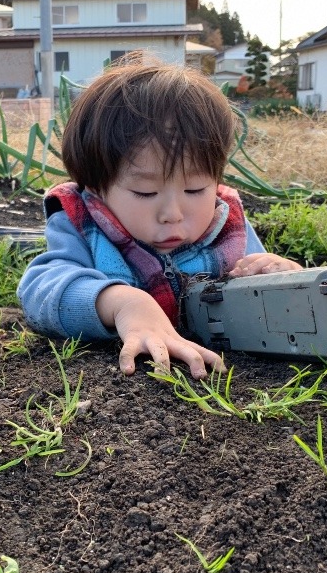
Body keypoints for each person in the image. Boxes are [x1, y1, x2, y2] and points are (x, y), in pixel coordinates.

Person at [17, 60, 301, 379]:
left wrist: (282, 276)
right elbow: (38, 293)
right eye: (145, 192)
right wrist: (124, 304)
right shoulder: (84, 222)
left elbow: (259, 278)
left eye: (194, 189)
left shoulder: (226, 221)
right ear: (96, 187)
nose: (172, 214)